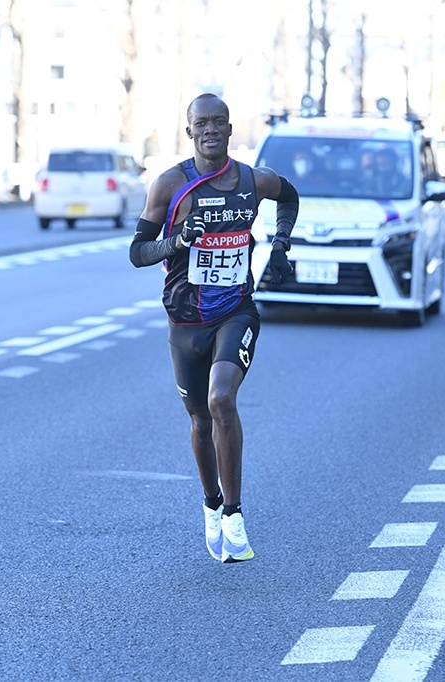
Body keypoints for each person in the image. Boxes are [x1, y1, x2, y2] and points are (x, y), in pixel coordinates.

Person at [128, 93, 299, 563]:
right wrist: (177, 242)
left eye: (218, 122)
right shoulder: (169, 185)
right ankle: (210, 503)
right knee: (200, 420)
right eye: (201, 123)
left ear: (229, 129)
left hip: (235, 310)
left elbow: (289, 194)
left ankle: (235, 514)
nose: (210, 130)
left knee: (221, 398)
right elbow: (137, 252)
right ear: (189, 132)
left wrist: (281, 245)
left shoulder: (251, 179)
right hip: (185, 322)